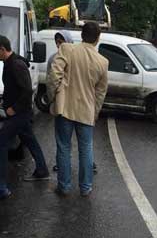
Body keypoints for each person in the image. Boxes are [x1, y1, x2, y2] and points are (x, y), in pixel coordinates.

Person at [47, 22, 108, 197]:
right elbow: (100, 92)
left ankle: (64, 187)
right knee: (86, 149)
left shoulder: (67, 49)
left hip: (65, 108)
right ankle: (86, 187)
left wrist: (53, 98)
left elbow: (54, 76)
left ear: (81, 35)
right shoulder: (103, 62)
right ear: (97, 38)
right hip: (86, 110)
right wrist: (95, 112)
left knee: (64, 147)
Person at [0, 35, 50, 200]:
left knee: (1, 143)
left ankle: (2, 188)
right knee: (30, 140)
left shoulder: (16, 65)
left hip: (19, 114)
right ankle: (42, 170)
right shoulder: (10, 63)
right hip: (19, 113)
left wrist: (13, 109)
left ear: (2, 49)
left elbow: (27, 91)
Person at [46, 31, 98, 174]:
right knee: (81, 145)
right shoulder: (54, 58)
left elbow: (52, 81)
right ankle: (83, 183)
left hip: (69, 107)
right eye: (57, 41)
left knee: (66, 145)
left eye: (61, 41)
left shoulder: (73, 56)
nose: (59, 44)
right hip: (77, 107)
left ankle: (65, 184)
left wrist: (52, 99)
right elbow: (50, 80)